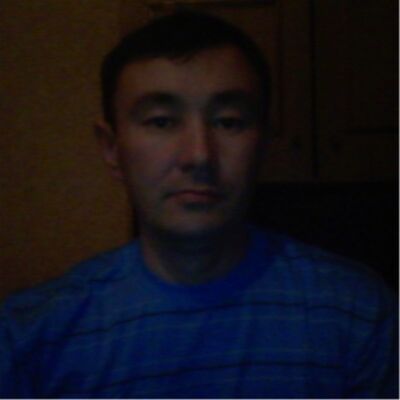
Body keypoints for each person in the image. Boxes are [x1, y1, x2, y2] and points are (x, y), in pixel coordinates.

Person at [0, 11, 397, 398]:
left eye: (229, 121)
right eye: (161, 121)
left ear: (262, 143)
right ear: (111, 148)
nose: (199, 155)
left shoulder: (358, 313)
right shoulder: (31, 336)